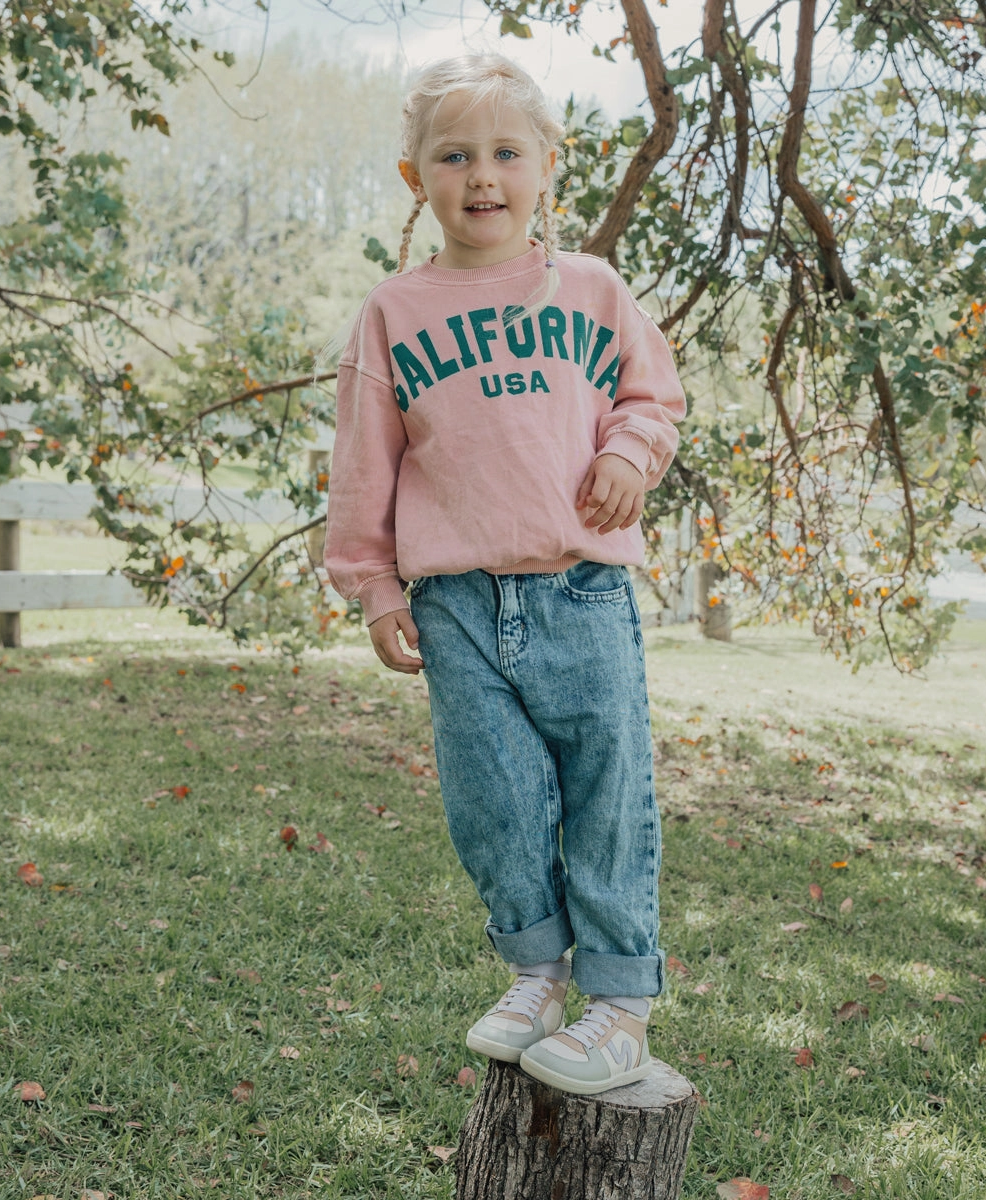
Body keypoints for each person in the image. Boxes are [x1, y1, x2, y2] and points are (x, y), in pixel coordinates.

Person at [324, 53, 686, 1096]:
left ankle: (620, 1002)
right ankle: (535, 974)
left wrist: (626, 454)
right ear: (415, 178)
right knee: (496, 799)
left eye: (504, 153)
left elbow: (652, 398)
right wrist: (376, 587)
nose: (481, 176)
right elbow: (365, 464)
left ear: (546, 168)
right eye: (454, 156)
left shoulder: (591, 288)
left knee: (607, 791)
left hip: (580, 590)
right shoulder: (394, 310)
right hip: (453, 603)